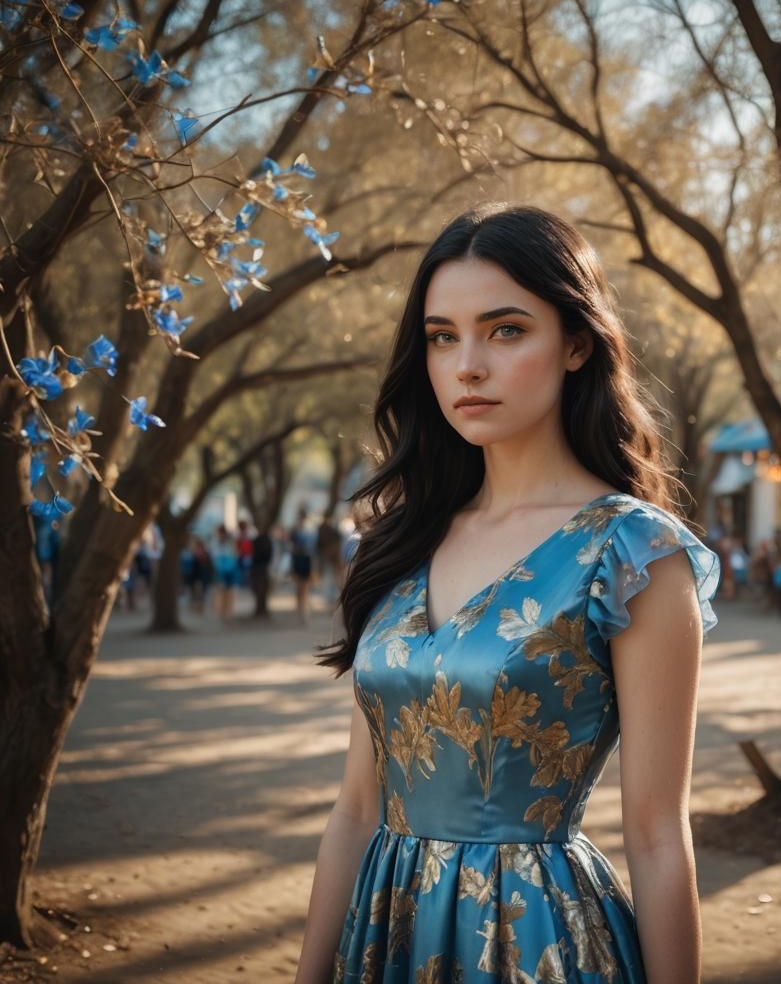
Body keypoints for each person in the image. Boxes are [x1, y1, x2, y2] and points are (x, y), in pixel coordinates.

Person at [294, 204, 722, 984]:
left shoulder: (630, 553)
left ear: (577, 344)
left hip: (536, 944)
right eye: (442, 336)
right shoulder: (404, 539)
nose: (467, 366)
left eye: (506, 329)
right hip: (385, 933)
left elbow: (659, 834)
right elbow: (357, 807)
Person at [289, 506, 317, 624]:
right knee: (302, 587)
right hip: (304, 560)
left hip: (300, 560)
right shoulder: (309, 529)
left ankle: (302, 611)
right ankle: (302, 611)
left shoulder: (299, 529)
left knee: (302, 587)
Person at [210, 524, 238, 622]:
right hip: (223, 569)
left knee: (227, 592)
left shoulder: (227, 543)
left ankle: (227, 612)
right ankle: (223, 612)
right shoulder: (218, 543)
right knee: (222, 591)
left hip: (226, 569)